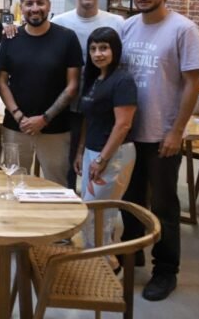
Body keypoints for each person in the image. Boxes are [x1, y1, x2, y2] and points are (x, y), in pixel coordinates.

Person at [120, 0, 199, 301]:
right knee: (130, 198)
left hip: (162, 133)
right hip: (130, 131)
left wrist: (176, 131)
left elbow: (193, 83)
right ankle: (132, 252)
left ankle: (166, 270)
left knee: (164, 204)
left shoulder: (183, 29)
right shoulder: (127, 26)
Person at [0, 0, 82, 186]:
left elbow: (72, 85)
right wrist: (19, 116)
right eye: (29, 3)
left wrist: (45, 118)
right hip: (16, 126)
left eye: (40, 3)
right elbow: (1, 82)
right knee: (14, 183)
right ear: (22, 7)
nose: (35, 8)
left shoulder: (67, 38)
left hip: (56, 127)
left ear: (49, 5)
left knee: (57, 185)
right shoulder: (11, 38)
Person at [53, 0, 124, 189]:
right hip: (67, 105)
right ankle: (66, 206)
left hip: (102, 108)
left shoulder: (117, 22)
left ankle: (94, 207)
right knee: (65, 164)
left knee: (97, 168)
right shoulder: (59, 22)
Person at [73, 27, 137, 264]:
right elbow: (89, 119)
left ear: (115, 50)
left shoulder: (123, 80)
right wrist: (81, 151)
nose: (98, 53)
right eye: (93, 49)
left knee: (102, 213)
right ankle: (95, 259)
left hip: (114, 154)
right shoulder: (95, 79)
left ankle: (108, 263)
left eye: (104, 48)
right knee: (90, 211)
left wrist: (102, 159)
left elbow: (123, 125)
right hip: (93, 151)